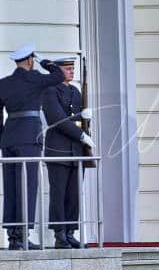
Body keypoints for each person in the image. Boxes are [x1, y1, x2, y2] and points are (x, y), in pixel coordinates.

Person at [0, 44, 65, 250]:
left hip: (8, 138)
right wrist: (45, 62)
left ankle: (12, 236)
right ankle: (22, 235)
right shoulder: (35, 78)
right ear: (29, 61)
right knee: (27, 185)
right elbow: (59, 75)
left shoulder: (4, 83)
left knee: (10, 187)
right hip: (29, 137)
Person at [42, 57, 95, 248]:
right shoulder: (49, 91)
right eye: (67, 69)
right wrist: (81, 135)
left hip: (76, 151)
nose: (72, 72)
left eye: (73, 68)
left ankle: (71, 232)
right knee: (59, 194)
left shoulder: (75, 91)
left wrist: (85, 124)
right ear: (57, 71)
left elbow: (79, 119)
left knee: (74, 195)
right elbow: (57, 119)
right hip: (58, 149)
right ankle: (60, 234)